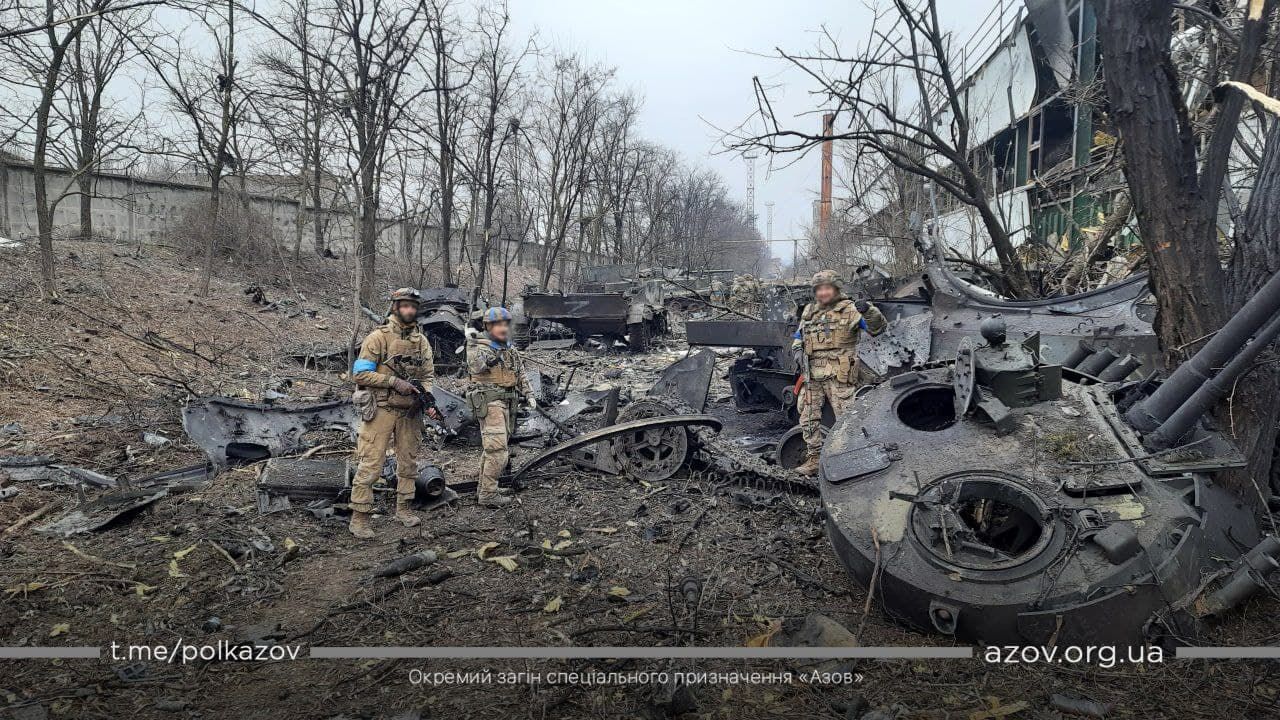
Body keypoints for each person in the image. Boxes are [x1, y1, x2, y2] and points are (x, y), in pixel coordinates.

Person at [348, 287, 438, 539]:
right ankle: (360, 516)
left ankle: (404, 508)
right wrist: (392, 382)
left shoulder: (421, 341)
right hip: (382, 409)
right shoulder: (377, 338)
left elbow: (427, 375)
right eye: (404, 305)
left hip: (410, 411)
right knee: (371, 462)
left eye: (413, 306)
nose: (409, 310)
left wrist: (426, 397)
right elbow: (360, 374)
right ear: (396, 307)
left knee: (408, 462)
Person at [791, 270, 887, 477]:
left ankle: (852, 459)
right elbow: (799, 337)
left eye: (827, 288)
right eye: (819, 289)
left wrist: (869, 311)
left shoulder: (851, 310)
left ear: (836, 289)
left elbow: (877, 328)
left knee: (848, 418)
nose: (823, 293)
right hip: (812, 375)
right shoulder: (809, 312)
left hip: (840, 375)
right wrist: (798, 349)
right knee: (808, 418)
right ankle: (814, 459)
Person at [466, 307, 535, 508]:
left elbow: (520, 372)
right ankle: (488, 495)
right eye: (497, 324)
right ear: (488, 326)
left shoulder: (508, 347)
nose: (503, 328)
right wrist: (473, 342)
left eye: (505, 324)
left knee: (492, 449)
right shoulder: (478, 346)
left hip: (506, 402)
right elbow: (477, 367)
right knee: (497, 450)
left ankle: (486, 487)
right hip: (490, 402)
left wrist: (529, 394)